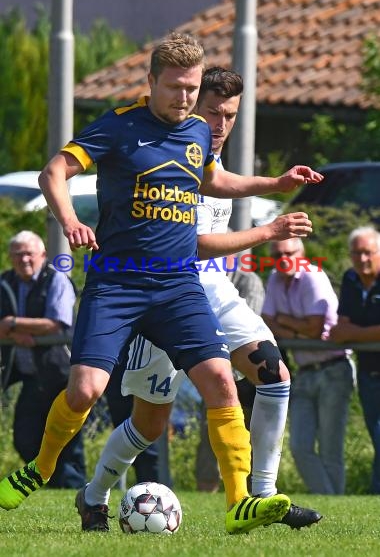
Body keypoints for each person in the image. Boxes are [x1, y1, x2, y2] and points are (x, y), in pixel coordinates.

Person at [0, 33, 322, 535]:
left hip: (178, 287)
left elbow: (213, 179)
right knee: (85, 391)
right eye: (175, 87)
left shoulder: (195, 131)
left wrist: (274, 184)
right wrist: (69, 221)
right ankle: (40, 468)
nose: (186, 98)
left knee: (221, 383)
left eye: (192, 88)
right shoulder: (118, 126)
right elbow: (53, 173)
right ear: (150, 82)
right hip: (117, 286)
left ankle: (241, 501)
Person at [262, 237, 355, 494]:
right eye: (278, 254)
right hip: (304, 371)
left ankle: (334, 504)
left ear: (301, 253)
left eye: (289, 253)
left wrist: (284, 322)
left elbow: (314, 329)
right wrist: (296, 328)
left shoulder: (313, 276)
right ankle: (331, 499)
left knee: (329, 448)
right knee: (299, 447)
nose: (284, 259)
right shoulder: (274, 278)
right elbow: (267, 321)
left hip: (333, 368)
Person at [0, 231, 86, 488]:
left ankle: (74, 488)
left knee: (68, 440)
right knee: (25, 438)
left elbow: (58, 322)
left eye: (29, 253)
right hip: (27, 373)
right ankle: (54, 482)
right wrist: (21, 333)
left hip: (60, 372)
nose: (24, 259)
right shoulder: (5, 282)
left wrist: (13, 324)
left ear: (43, 255)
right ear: (10, 257)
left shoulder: (57, 279)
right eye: (18, 254)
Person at [195, 253, 265, 492]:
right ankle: (208, 491)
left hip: (245, 376)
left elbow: (243, 332)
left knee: (249, 437)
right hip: (212, 369)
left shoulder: (249, 280)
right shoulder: (198, 276)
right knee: (210, 437)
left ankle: (253, 492)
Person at [329, 226, 380, 494]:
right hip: (369, 372)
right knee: (375, 435)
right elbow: (340, 329)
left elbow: (349, 331)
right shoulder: (351, 279)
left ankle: (375, 495)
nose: (362, 259)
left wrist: (356, 333)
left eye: (368, 252)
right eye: (356, 253)